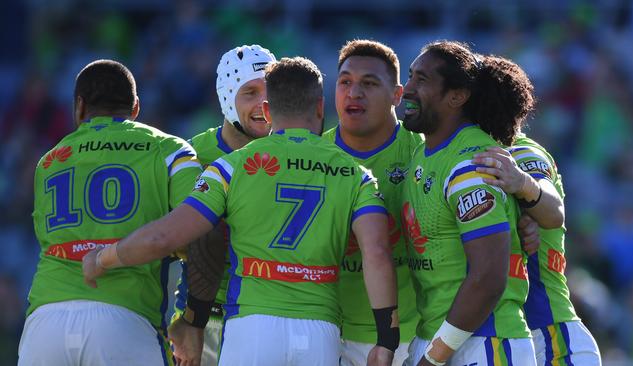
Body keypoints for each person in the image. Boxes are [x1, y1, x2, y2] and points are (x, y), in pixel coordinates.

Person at [82, 56, 399, 366]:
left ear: (267, 110)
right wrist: (386, 341)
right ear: (319, 107)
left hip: (250, 328)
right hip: (320, 330)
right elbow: (378, 254)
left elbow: (165, 236)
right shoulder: (356, 174)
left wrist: (103, 258)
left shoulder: (231, 167)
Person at [18, 59, 202, 365]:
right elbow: (199, 227)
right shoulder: (170, 150)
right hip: (125, 318)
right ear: (135, 109)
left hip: (44, 323)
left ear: (79, 107)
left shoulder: (49, 160)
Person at [400, 41, 536, 365]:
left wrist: (434, 357)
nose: (407, 89)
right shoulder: (423, 153)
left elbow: (488, 277)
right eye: (410, 76)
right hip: (439, 338)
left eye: (422, 80)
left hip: (483, 344)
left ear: (457, 96)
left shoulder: (474, 163)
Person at [471, 97, 602, 363]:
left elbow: (554, 209)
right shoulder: (454, 155)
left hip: (551, 337)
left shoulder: (519, 152)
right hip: (504, 336)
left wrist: (524, 188)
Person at [170, 44, 276, 366]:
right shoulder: (192, 155)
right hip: (204, 320)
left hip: (265, 319)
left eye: (271, 92)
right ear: (227, 96)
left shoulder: (293, 151)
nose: (264, 104)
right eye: (250, 93)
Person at [322, 39, 421, 366]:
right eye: (345, 82)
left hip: (412, 334)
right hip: (327, 332)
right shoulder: (314, 156)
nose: (354, 93)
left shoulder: (423, 153)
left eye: (369, 83)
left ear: (397, 95)